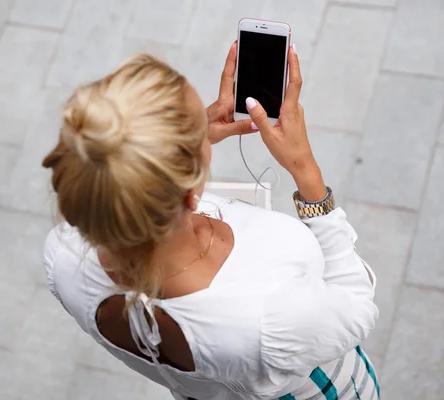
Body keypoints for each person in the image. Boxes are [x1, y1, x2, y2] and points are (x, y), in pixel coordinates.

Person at [41, 42, 380, 400]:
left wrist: (172, 147)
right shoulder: (268, 316)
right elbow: (357, 305)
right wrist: (306, 172)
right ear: (190, 195)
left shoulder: (61, 254)